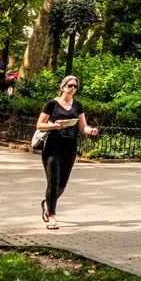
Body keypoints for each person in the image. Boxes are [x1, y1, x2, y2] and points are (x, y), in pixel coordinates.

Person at [35, 75, 99, 229]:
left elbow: (83, 126)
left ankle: (47, 204)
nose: (72, 88)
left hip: (70, 148)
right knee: (53, 181)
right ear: (62, 87)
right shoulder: (52, 104)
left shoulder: (78, 106)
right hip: (52, 148)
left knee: (62, 184)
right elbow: (39, 125)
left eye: (75, 86)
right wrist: (54, 126)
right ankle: (52, 216)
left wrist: (91, 131)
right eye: (70, 85)